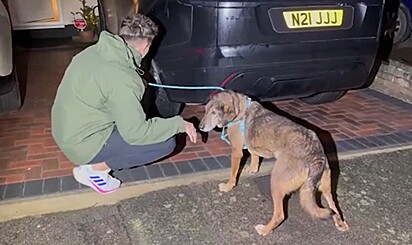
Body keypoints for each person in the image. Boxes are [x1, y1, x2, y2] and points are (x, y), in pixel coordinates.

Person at [51, 13, 197, 194]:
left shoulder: (93, 52)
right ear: (145, 46)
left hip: (66, 131)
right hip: (83, 144)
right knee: (166, 142)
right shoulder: (124, 78)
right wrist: (178, 123)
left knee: (141, 119)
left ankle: (94, 162)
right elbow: (136, 134)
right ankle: (95, 170)